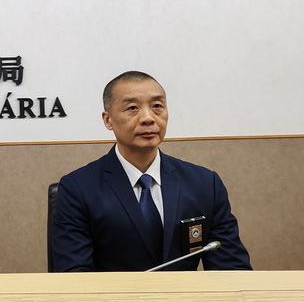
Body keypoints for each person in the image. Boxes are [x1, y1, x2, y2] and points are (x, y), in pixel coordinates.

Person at [52, 71, 251, 272]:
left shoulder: (205, 183)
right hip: (114, 294)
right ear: (108, 120)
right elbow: (74, 274)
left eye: (157, 106)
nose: (148, 118)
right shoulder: (78, 188)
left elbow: (232, 268)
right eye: (132, 108)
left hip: (184, 293)